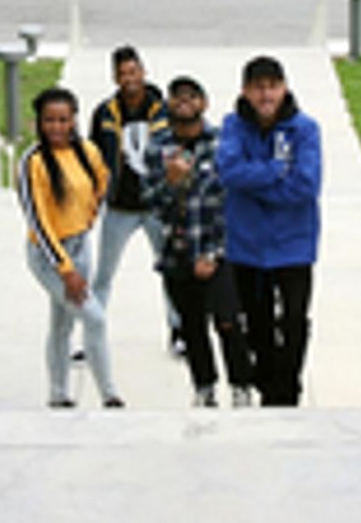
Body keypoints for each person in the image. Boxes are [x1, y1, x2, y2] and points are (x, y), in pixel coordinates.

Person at [141, 75, 255, 408]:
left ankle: (241, 387)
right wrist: (172, 182)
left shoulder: (223, 144)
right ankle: (204, 387)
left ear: (204, 103)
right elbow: (152, 203)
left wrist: (213, 253)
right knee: (191, 326)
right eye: (177, 97)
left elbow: (232, 202)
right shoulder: (157, 147)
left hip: (221, 250)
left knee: (228, 321)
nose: (185, 102)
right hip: (178, 251)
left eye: (192, 96)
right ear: (168, 105)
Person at [215, 54, 322, 407]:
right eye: (258, 88)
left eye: (273, 87)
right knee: (257, 323)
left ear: (284, 88)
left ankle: (288, 389)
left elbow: (305, 185)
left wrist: (256, 179)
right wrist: (276, 170)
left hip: (293, 244)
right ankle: (267, 385)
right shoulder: (233, 126)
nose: (266, 96)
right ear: (245, 91)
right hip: (247, 245)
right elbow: (229, 172)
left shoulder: (305, 129)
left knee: (293, 321)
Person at [18, 86, 124, 408]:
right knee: (94, 317)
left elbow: (103, 180)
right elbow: (38, 220)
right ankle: (110, 394)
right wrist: (66, 271)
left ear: (74, 120)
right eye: (49, 120)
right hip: (49, 255)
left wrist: (90, 215)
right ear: (39, 122)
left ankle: (58, 394)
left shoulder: (87, 151)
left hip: (80, 245)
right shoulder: (32, 163)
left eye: (63, 120)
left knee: (61, 323)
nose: (56, 127)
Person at [88, 45, 179, 350]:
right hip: (119, 207)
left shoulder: (164, 110)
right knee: (103, 276)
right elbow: (93, 159)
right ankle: (92, 335)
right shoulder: (104, 113)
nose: (129, 78)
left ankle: (179, 332)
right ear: (115, 77)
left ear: (143, 72)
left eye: (134, 71)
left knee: (169, 271)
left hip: (156, 206)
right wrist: (94, 197)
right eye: (123, 73)